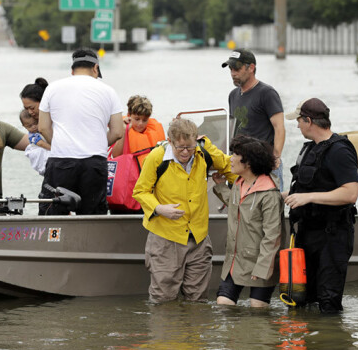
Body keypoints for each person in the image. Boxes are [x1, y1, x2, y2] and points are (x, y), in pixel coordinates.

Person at [132, 118, 237, 304]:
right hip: (166, 237)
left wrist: (249, 187)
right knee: (163, 298)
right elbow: (140, 191)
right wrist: (159, 208)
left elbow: (232, 167)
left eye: (190, 147)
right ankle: (166, 332)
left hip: (198, 237)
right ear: (170, 141)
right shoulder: (156, 157)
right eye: (180, 148)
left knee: (198, 298)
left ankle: (193, 332)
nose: (186, 152)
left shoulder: (204, 151)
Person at [284, 98, 358, 314]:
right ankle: (309, 342)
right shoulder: (310, 149)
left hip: (333, 235)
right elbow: (311, 188)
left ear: (309, 120)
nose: (297, 125)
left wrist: (308, 198)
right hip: (308, 234)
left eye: (298, 121)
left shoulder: (340, 150)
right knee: (301, 300)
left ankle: (331, 342)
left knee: (328, 303)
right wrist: (281, 195)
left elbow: (350, 193)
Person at [37, 48, 124, 215]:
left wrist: (59, 143)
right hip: (94, 162)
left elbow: (43, 128)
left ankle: (54, 240)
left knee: (53, 214)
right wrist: (97, 143)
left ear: (72, 70)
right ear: (95, 68)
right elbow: (118, 132)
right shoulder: (109, 91)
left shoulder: (53, 88)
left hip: (61, 160)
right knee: (91, 218)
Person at [212, 136, 284, 308]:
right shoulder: (238, 182)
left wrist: (262, 268)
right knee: (223, 305)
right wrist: (221, 186)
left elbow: (273, 235)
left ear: (249, 163)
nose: (231, 158)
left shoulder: (270, 194)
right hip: (235, 260)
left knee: (258, 310)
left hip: (260, 262)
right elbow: (238, 207)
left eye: (235, 154)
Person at [222, 48, 286, 189]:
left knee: (270, 207)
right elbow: (233, 128)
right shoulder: (233, 95)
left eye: (237, 69)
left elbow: (279, 127)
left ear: (251, 67)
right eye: (231, 69)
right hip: (241, 165)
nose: (233, 74)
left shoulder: (267, 93)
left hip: (263, 164)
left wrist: (275, 157)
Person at [109, 95, 166, 214]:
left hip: (146, 185)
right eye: (137, 119)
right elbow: (116, 154)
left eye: (144, 120)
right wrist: (125, 129)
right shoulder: (123, 128)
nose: (140, 123)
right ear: (129, 115)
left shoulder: (154, 129)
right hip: (127, 186)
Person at [20, 109, 50, 176]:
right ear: (24, 126)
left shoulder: (42, 129)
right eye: (29, 126)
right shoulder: (32, 136)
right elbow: (41, 144)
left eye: (36, 123)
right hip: (41, 149)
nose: (34, 127)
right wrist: (53, 149)